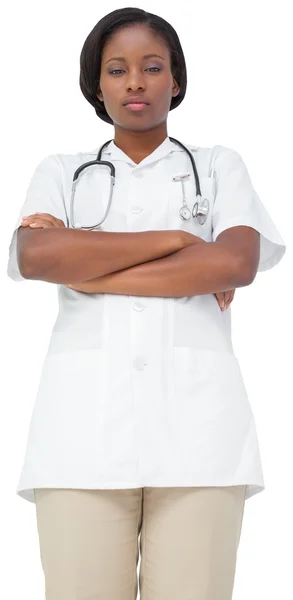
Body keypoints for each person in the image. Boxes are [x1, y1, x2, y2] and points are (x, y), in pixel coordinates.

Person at [7, 6, 286, 600]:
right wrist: (182, 243)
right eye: (116, 69)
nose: (135, 81)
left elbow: (236, 262)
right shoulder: (61, 172)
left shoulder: (216, 167)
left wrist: (89, 264)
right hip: (80, 442)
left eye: (152, 67)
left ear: (175, 80)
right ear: (97, 85)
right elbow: (36, 259)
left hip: (202, 443)